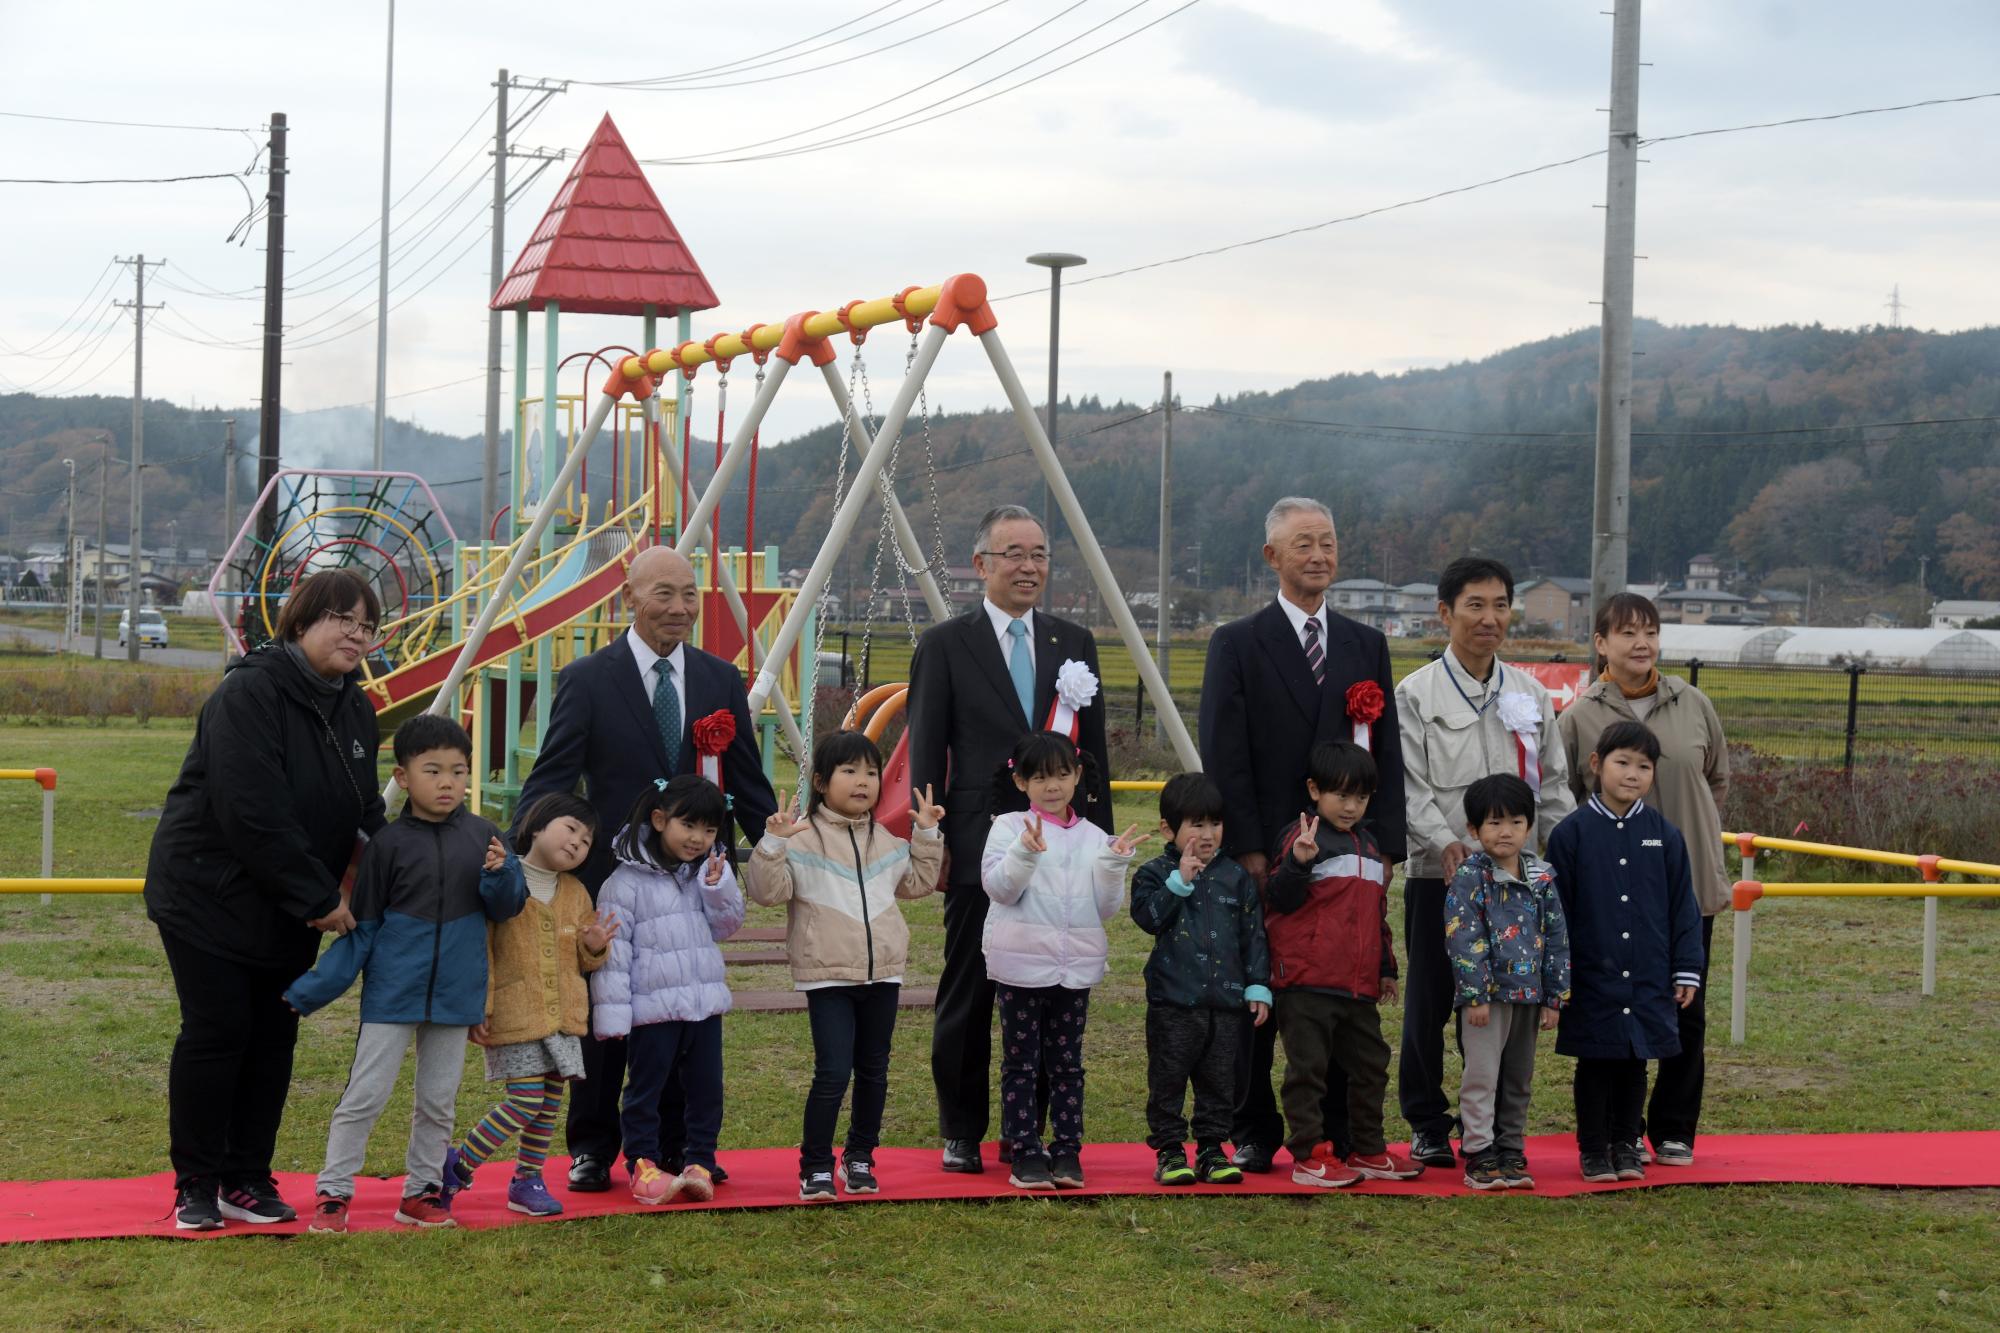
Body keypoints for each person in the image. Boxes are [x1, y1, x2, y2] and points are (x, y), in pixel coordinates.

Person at [514, 544, 776, 1193]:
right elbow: (553, 776)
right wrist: (524, 849)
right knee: (605, 1016)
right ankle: (593, 1147)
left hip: (691, 886)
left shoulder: (720, 679)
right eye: (664, 594)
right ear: (628, 597)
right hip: (610, 885)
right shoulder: (588, 678)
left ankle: (683, 1147)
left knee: (683, 1020)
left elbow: (744, 777)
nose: (680, 608)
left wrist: (780, 846)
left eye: (690, 594)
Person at [144, 570, 388, 1231]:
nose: (354, 634)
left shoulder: (356, 706)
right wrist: (315, 894)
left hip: (286, 903)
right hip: (207, 892)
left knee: (274, 1033)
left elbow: (365, 808)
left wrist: (402, 873)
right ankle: (196, 1181)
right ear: (300, 621)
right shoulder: (249, 692)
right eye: (341, 618)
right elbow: (252, 808)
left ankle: (247, 1176)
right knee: (219, 1029)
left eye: (366, 624)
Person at [1197, 496, 1405, 1174]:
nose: (1319, 555)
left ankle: (1345, 1132)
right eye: (1304, 544)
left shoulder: (1364, 643)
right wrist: (1251, 845)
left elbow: (1387, 753)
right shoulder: (1238, 641)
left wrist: (1387, 845)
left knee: (1343, 993)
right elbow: (1224, 752)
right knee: (1265, 989)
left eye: (1329, 542)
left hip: (1350, 851)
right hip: (1271, 849)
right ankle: (1256, 1127)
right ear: (1272, 557)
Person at [907, 504, 1113, 1173]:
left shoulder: (1073, 641)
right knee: (970, 988)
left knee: (1053, 991)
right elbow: (926, 751)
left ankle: (1040, 1132)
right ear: (982, 565)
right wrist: (933, 842)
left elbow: (1095, 753)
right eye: (1013, 553)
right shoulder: (945, 643)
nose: (1029, 566)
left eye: (1040, 554)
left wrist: (1099, 840)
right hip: (978, 845)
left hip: (1061, 845)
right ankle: (962, 1127)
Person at [287, 714, 527, 1231]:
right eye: (433, 770)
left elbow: (507, 911)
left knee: (438, 1102)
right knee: (365, 1096)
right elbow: (363, 929)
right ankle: (333, 1193)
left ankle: (421, 1193)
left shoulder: (487, 836)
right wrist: (313, 990)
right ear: (402, 777)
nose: (448, 783)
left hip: (456, 996)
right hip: (392, 995)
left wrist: (502, 874)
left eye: (459, 772)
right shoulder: (387, 846)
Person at [1396, 555, 1574, 1168]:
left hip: (1517, 886)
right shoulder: (1415, 694)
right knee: (1430, 999)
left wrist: (1567, 855)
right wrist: (1444, 843)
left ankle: (1497, 1129)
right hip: (1438, 877)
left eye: (1500, 604)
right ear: (1445, 613)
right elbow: (1410, 787)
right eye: (1475, 605)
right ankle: (1425, 1119)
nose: (1489, 618)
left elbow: (1552, 787)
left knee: (1506, 1008)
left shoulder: (1529, 694)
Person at [1558, 592, 1729, 1168]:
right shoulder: (1580, 715)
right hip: (1607, 895)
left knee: (1685, 1005)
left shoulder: (1693, 702)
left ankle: (1674, 1129)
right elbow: (1561, 799)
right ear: (1601, 643)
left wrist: (1684, 838)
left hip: (1685, 884)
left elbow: (1716, 779)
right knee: (1612, 1010)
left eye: (1651, 632)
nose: (1642, 643)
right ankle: (1609, 1136)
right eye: (1627, 633)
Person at [745, 731, 946, 1201]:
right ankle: (815, 1165)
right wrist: (772, 843)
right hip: (828, 975)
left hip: (884, 974)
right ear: (820, 781)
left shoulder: (886, 840)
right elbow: (767, 892)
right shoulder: (801, 840)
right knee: (833, 1072)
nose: (863, 782)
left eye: (872, 773)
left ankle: (860, 1158)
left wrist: (927, 834)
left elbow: (918, 883)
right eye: (850, 771)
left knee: (874, 1071)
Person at [980, 732, 1147, 1191]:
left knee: (1068, 1064)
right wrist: (1023, 854)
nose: (1051, 786)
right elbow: (1000, 889)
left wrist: (1114, 865)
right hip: (1019, 968)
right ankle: (1026, 1150)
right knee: (1021, 1063)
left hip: (1074, 972)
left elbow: (1106, 907)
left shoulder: (1095, 836)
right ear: (1020, 781)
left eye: (1060, 775)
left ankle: (1068, 1149)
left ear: (1077, 776)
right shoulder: (1008, 828)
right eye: (1038, 777)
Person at [442, 794, 615, 1219]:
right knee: (525, 1100)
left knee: (549, 1103)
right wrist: (478, 1005)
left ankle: (527, 1180)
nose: (577, 843)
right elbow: (480, 948)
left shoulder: (576, 892)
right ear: (537, 825)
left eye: (587, 840)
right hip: (514, 1011)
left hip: (564, 1020)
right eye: (570, 828)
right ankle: (456, 1165)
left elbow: (582, 955)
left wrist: (593, 949)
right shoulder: (504, 875)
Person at [1545, 721, 1703, 1184]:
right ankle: (1593, 1149)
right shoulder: (1570, 834)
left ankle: (1625, 1144)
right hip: (1592, 975)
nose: (1632, 774)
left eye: (1644, 766)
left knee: (1636, 1062)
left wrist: (1686, 969)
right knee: (1595, 1062)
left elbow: (1683, 907)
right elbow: (1557, 913)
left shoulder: (1665, 835)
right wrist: (1559, 976)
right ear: (1596, 765)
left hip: (1648, 973)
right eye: (1622, 762)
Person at [1264, 743, 1421, 1188]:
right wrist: (1298, 863)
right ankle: (1309, 1156)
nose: (1351, 807)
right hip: (1306, 983)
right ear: (1314, 790)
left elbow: (1375, 914)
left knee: (1371, 1065)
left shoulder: (1370, 846)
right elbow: (1278, 899)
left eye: (1362, 797)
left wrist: (1386, 968)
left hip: (1358, 988)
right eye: (1341, 796)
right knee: (1308, 1071)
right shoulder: (1301, 838)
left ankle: (1368, 1149)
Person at [591, 775, 744, 1206]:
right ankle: (642, 1163)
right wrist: (613, 1018)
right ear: (660, 819)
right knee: (646, 1089)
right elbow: (613, 957)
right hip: (653, 1010)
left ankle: (700, 1161)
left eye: (710, 830)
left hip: (703, 1006)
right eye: (689, 825)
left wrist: (718, 888)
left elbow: (727, 927)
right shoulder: (623, 884)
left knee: (706, 1089)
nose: (698, 838)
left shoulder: (705, 873)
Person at [1129, 773, 1272, 1186]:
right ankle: (1170, 1151)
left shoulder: (1235, 877)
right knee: (1168, 1079)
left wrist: (1257, 984)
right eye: (1196, 824)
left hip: (1226, 1005)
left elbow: (1253, 934)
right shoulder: (1155, 873)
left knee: (1220, 1081)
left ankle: (1212, 1147)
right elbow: (1147, 919)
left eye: (1215, 823)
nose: (1208, 834)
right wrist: (1180, 883)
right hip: (1173, 1002)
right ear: (1168, 829)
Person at [1444, 774, 1570, 1191]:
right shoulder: (1470, 876)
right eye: (1494, 823)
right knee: (1482, 1074)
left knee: (1519, 1077)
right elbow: (1464, 937)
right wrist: (1474, 994)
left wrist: (1555, 997)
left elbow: (1556, 937)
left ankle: (1511, 1149)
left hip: (1530, 998)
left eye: (1516, 822)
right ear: (1474, 830)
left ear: (1529, 827)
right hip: (1487, 1001)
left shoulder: (1542, 878)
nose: (1506, 832)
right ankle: (1479, 1152)